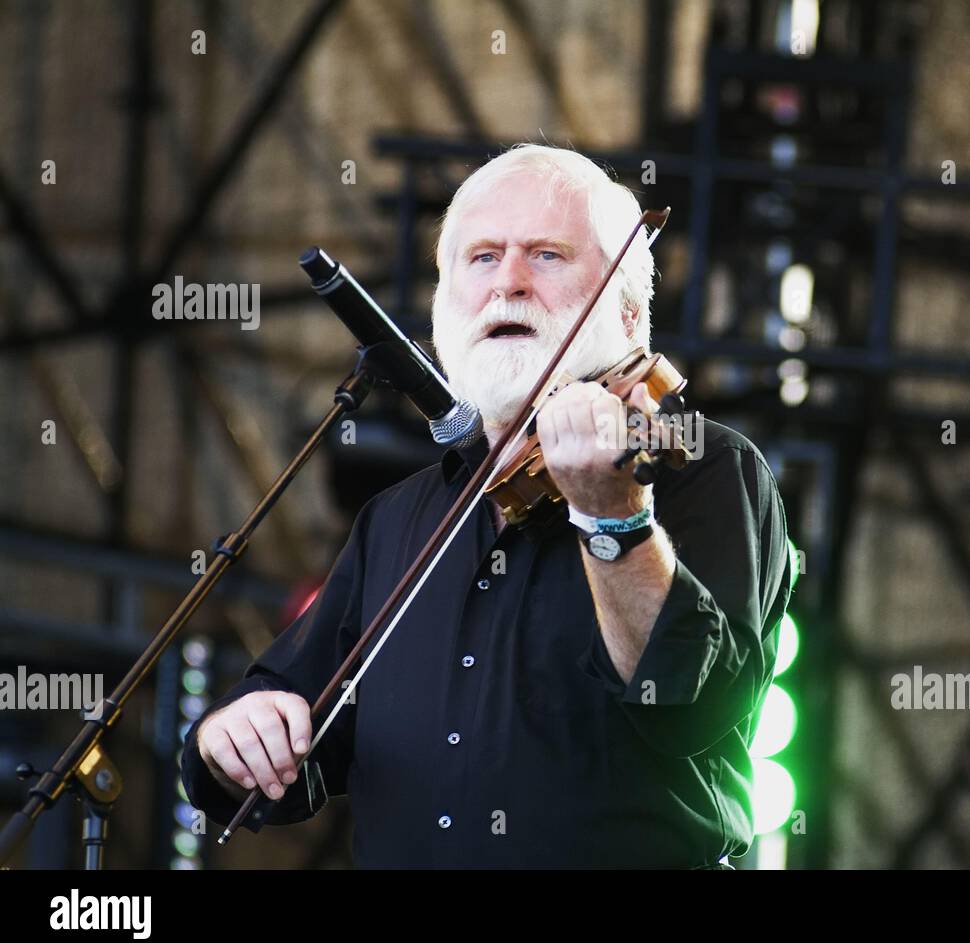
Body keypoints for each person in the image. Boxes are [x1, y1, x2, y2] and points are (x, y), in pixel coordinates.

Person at [180, 144, 792, 867]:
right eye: (482, 257)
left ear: (628, 314)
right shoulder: (398, 519)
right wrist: (228, 738)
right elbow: (291, 735)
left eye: (547, 255)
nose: (509, 282)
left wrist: (615, 518)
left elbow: (691, 707)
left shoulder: (699, 466)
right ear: (444, 309)